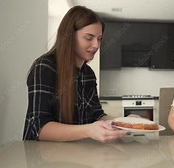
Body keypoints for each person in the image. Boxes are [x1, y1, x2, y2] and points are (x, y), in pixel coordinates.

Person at [23, 6, 128, 142]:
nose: (96, 45)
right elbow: (40, 129)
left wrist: (124, 122)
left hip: (76, 154)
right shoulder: (45, 67)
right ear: (69, 36)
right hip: (41, 158)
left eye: (99, 38)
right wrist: (88, 130)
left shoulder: (88, 74)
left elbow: (96, 114)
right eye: (89, 37)